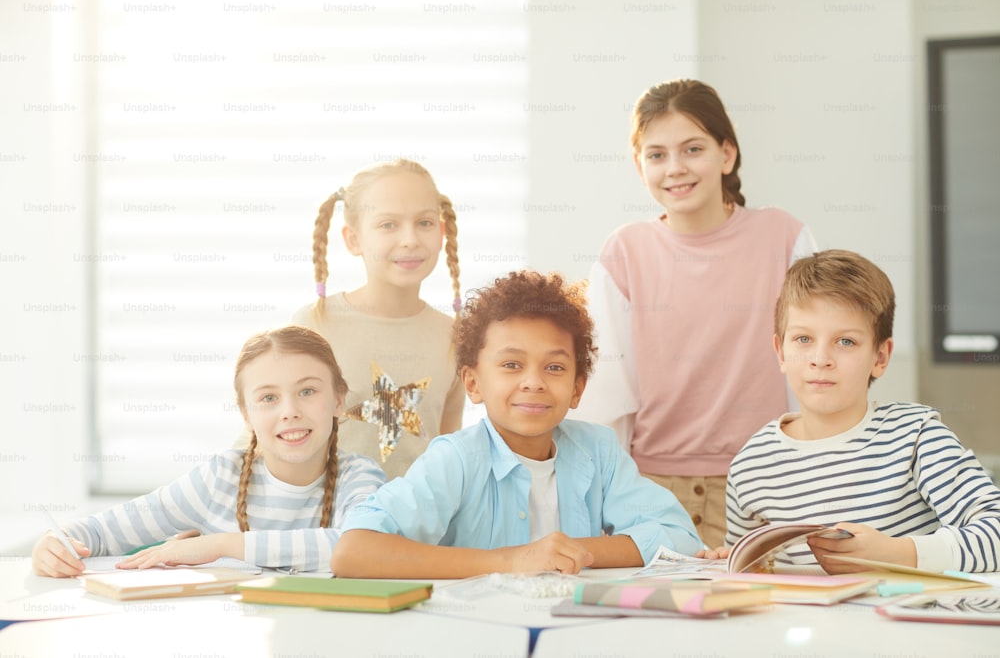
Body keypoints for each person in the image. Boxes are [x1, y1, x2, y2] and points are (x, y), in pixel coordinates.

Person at [330, 270, 703, 579]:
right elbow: (355, 551)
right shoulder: (456, 459)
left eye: (554, 367)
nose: (534, 382)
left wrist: (568, 552)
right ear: (473, 383)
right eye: (511, 365)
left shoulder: (598, 449)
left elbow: (679, 537)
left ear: (577, 389)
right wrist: (512, 560)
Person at [574, 78, 817, 548]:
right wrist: (608, 499)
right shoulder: (624, 252)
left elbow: (809, 376)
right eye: (657, 154)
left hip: (764, 484)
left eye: (692, 149)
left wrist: (806, 476)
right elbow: (607, 397)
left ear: (726, 155)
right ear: (639, 165)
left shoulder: (784, 238)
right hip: (651, 490)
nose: (675, 168)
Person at [713, 250, 1000, 573]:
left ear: (880, 357)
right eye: (803, 339)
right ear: (781, 352)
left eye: (845, 342)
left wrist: (898, 553)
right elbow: (749, 568)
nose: (820, 359)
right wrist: (726, 561)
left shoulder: (917, 436)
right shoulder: (751, 465)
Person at [31, 325, 386, 577]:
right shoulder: (220, 479)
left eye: (308, 391)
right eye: (268, 398)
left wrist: (218, 546)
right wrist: (55, 543)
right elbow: (104, 531)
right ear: (246, 414)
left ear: (339, 398)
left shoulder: (361, 477)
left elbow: (352, 549)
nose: (289, 410)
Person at [291, 159, 465, 480]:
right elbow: (266, 433)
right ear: (353, 240)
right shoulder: (316, 323)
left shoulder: (454, 337)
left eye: (424, 223)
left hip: (417, 527)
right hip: (328, 525)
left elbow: (448, 452)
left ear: (441, 233)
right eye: (388, 225)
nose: (410, 239)